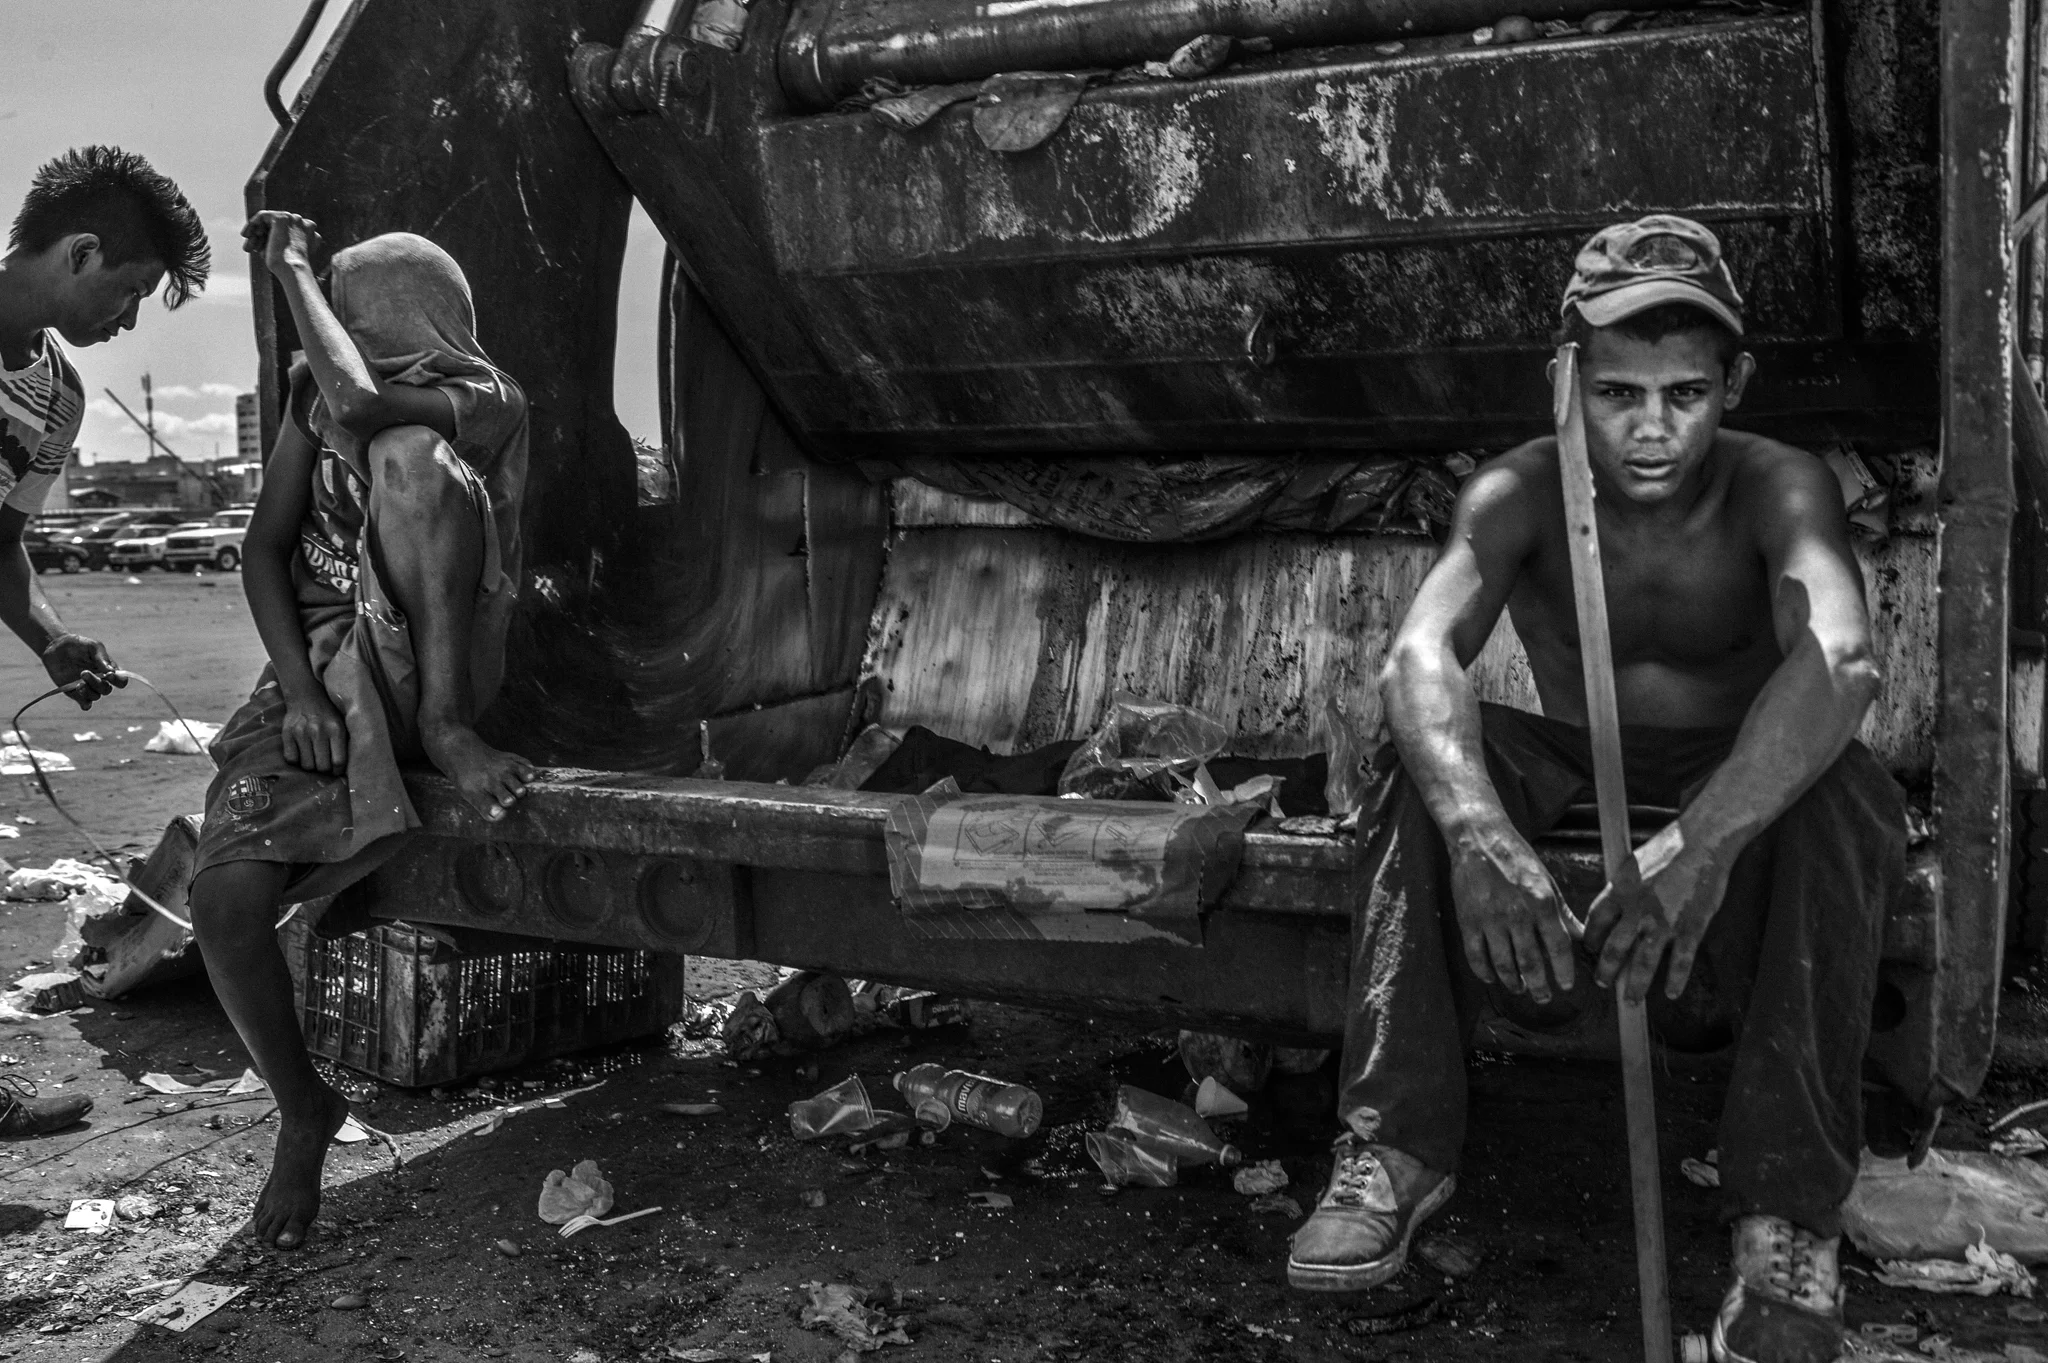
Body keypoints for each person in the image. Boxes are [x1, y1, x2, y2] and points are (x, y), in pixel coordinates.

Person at [1287, 216, 1902, 1363]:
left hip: (1737, 769)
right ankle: (1395, 1149)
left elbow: (1839, 657)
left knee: (1845, 786)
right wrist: (1475, 826)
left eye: (1684, 393)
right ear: (1564, 376)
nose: (1652, 429)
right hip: (1571, 756)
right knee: (1415, 767)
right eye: (1617, 393)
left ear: (1734, 384)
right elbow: (1417, 656)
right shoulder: (1517, 490)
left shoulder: (1781, 485)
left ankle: (1782, 1221)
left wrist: (1704, 841)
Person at [188, 213, 535, 1248]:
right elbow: (265, 550)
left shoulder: (485, 398)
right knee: (222, 895)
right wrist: (296, 692)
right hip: (331, 668)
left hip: (439, 662)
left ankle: (444, 727)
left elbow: (367, 404)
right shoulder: (312, 398)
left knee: (409, 456)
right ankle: (305, 1107)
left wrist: (291, 266)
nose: (339, 326)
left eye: (351, 306)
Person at [0, 146, 208, 1139]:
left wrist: (49, 639)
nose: (126, 320)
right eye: (129, 292)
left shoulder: (57, 397)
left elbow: (1, 545)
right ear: (80, 251)